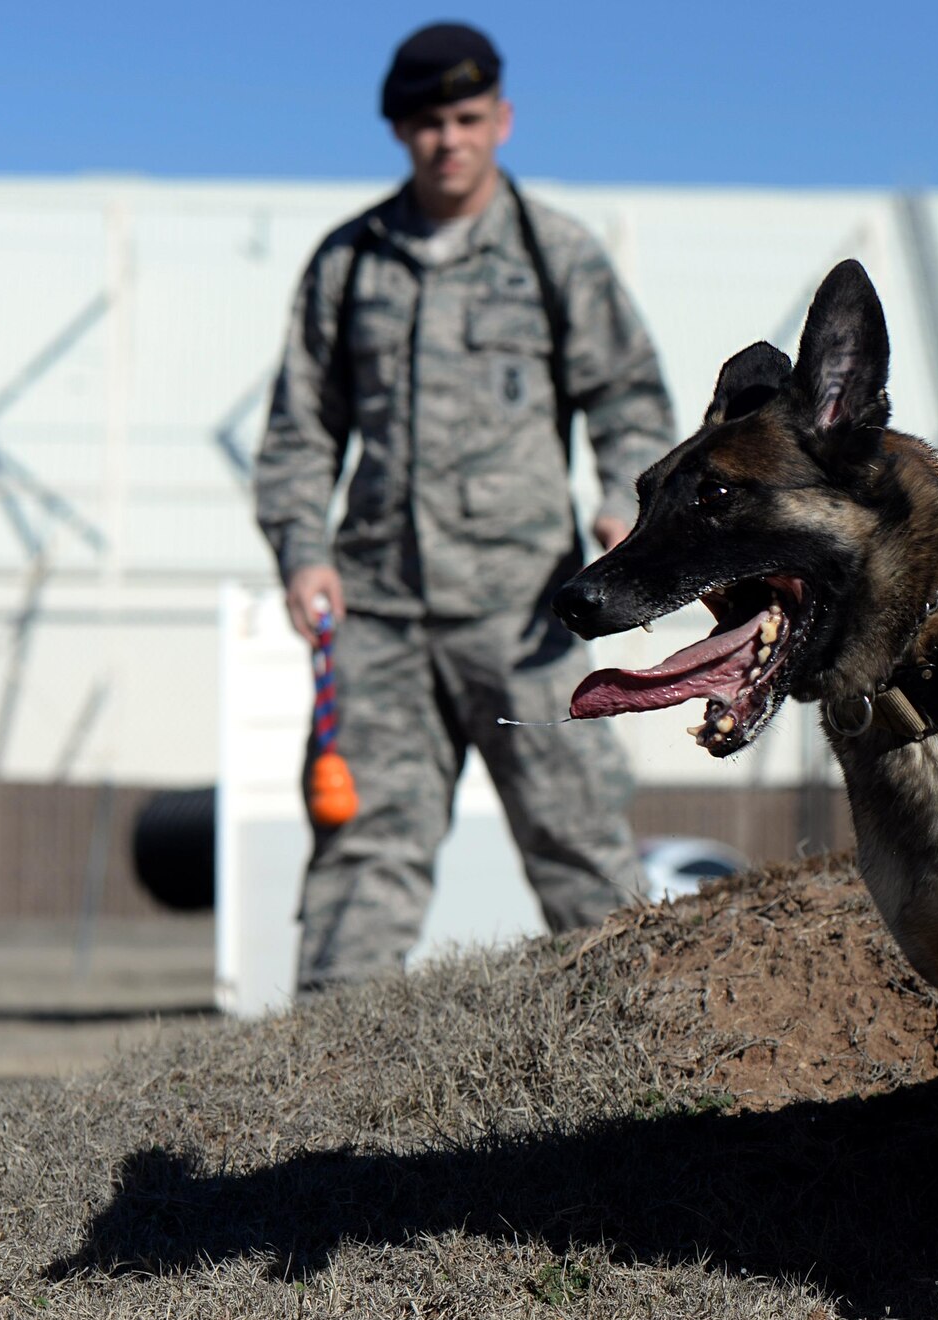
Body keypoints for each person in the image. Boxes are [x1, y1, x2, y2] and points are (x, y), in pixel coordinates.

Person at [253, 22, 673, 988]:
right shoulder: (347, 265)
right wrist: (299, 550)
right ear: (401, 133)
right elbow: (299, 431)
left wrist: (626, 508)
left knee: (581, 851)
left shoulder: (554, 254)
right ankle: (327, 1096)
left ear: (503, 120)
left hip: (523, 616)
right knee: (361, 864)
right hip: (379, 620)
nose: (450, 139)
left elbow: (630, 401)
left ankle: (644, 1075)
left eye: (468, 117)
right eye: (429, 122)